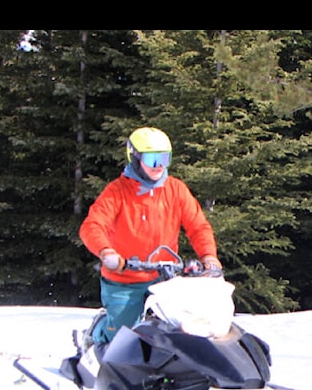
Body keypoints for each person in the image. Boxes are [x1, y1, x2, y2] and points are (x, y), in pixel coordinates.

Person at [78, 126, 222, 349]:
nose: (160, 166)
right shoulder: (118, 192)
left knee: (184, 327)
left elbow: (198, 227)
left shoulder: (176, 190)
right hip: (126, 279)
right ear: (135, 158)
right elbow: (92, 226)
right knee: (123, 336)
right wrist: (106, 252)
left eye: (164, 158)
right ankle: (97, 332)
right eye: (152, 159)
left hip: (166, 277)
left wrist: (208, 257)